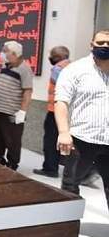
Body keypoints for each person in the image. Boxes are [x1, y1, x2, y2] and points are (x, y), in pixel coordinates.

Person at [57, 30, 109, 211]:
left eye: (108, 43)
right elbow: (61, 102)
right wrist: (63, 132)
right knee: (70, 185)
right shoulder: (75, 70)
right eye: (100, 43)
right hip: (81, 140)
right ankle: (66, 223)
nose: (105, 46)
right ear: (91, 44)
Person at [0, 40, 33, 171]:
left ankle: (12, 164)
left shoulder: (25, 69)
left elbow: (27, 91)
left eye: (5, 51)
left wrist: (22, 112)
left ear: (14, 53)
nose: (2, 53)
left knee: (12, 139)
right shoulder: (6, 65)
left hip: (12, 111)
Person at [33, 46, 71, 178]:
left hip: (54, 110)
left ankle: (50, 168)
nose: (50, 58)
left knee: (50, 140)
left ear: (58, 57)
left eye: (52, 56)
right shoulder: (72, 66)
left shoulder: (57, 68)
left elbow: (61, 86)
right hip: (67, 110)